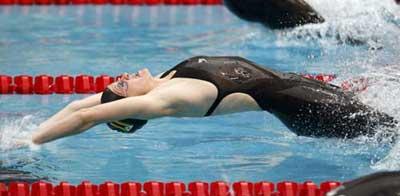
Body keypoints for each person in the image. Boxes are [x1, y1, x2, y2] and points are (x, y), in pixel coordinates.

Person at [31, 56, 396, 145]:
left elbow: (80, 107)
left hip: (302, 88)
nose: (120, 80)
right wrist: (32, 144)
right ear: (132, 106)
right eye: (121, 88)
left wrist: (30, 129)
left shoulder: (163, 79)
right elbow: (88, 118)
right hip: (307, 108)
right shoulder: (166, 100)